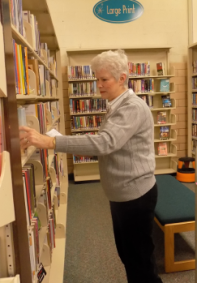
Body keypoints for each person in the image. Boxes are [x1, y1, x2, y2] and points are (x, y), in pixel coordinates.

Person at [20, 49, 163, 283]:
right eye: (96, 79)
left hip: (135, 194)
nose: (99, 85)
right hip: (121, 193)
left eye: (104, 79)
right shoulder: (116, 104)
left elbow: (105, 142)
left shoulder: (131, 108)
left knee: (140, 261)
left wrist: (52, 142)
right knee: (128, 255)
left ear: (122, 78)